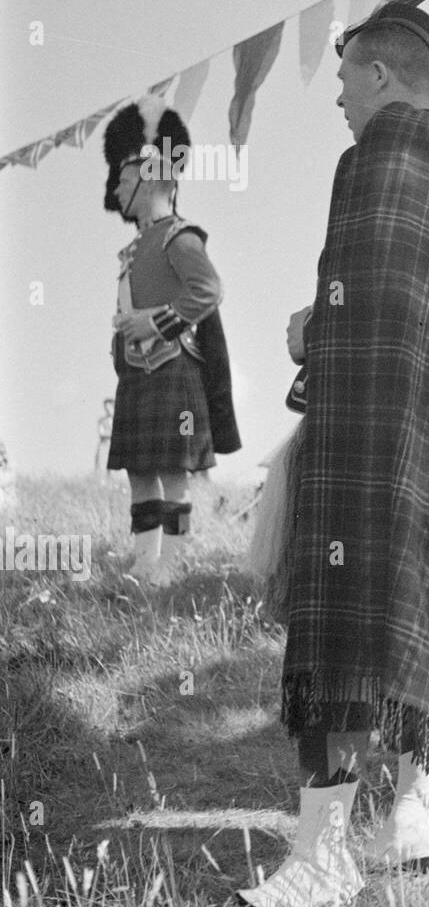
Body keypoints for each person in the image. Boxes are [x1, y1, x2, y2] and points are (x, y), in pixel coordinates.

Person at [240, 0, 429, 907]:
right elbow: (420, 300)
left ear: (382, 74)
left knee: (348, 625)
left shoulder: (378, 153)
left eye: (345, 75)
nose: (338, 97)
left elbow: (372, 295)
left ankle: (321, 857)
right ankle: (417, 813)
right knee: (418, 609)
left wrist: (314, 330)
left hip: (369, 430)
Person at [103, 95, 240, 586]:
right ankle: (143, 562)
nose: (115, 189)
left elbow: (209, 290)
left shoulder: (180, 237)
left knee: (173, 474)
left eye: (122, 178)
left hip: (173, 369)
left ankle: (173, 566)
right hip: (138, 375)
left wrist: (156, 324)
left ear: (150, 176)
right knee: (140, 472)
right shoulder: (135, 247)